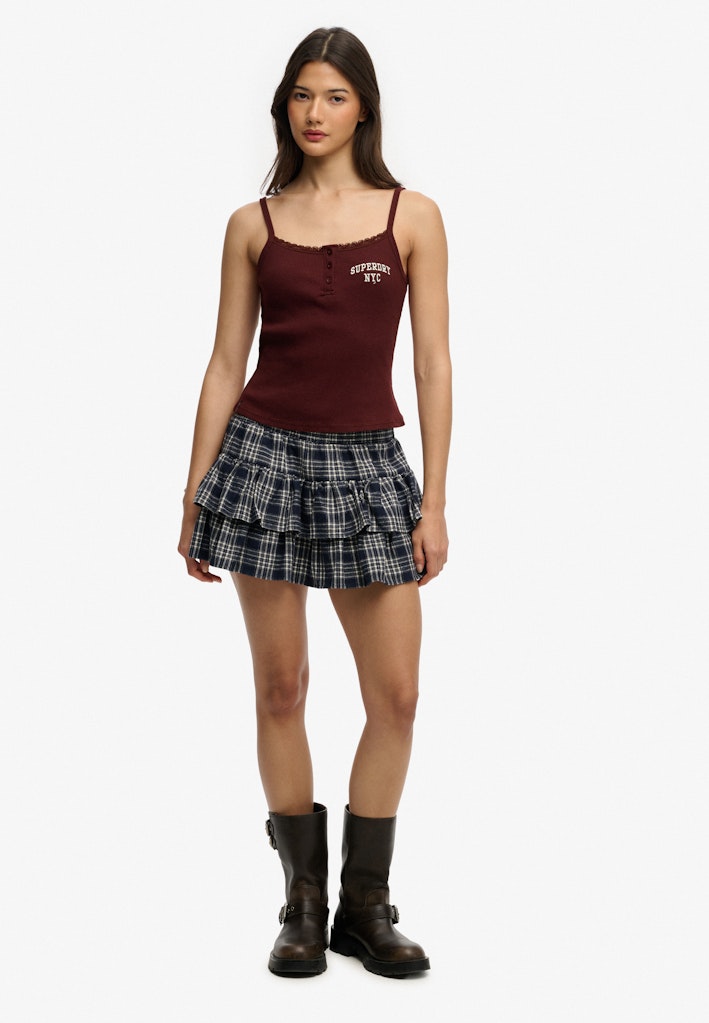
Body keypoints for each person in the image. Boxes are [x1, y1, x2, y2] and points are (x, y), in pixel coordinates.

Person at [177, 25, 452, 978]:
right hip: (261, 462)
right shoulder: (251, 223)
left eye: (334, 95)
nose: (315, 112)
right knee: (281, 687)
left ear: (363, 107)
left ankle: (364, 908)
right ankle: (301, 904)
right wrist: (194, 493)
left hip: (370, 468)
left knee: (397, 695)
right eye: (301, 94)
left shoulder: (411, 216)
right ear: (283, 107)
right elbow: (225, 363)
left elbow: (432, 362)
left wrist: (435, 500)